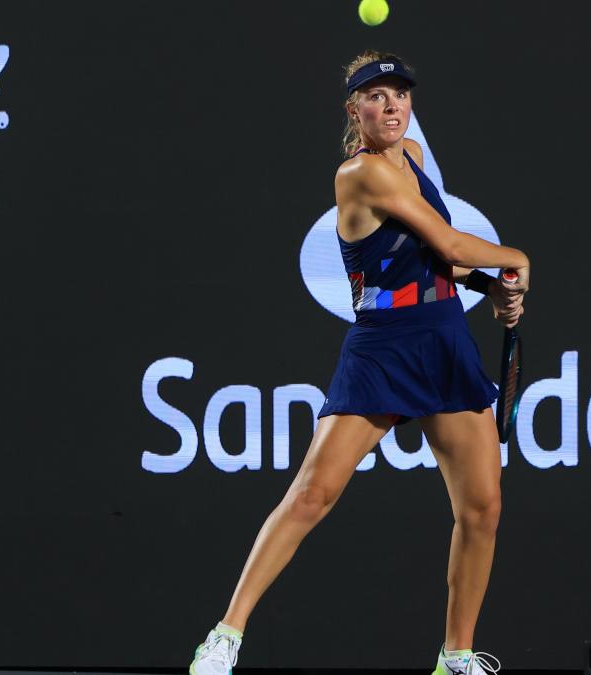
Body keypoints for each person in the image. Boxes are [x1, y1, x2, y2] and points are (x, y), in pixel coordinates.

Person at [188, 51, 528, 675]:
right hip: (383, 345)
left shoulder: (417, 164)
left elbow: (443, 263)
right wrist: (518, 259)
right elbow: (453, 242)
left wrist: (489, 286)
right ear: (356, 111)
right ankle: (224, 638)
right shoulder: (359, 176)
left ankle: (455, 657)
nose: (392, 104)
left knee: (482, 507)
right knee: (314, 494)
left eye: (400, 93)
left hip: (443, 336)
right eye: (376, 96)